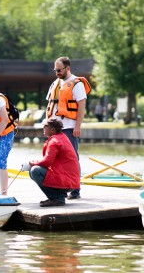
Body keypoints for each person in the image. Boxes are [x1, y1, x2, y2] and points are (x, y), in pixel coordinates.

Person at [46, 56, 91, 200]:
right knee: (57, 160)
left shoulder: (76, 84)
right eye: (55, 70)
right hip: (55, 129)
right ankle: (62, 188)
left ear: (67, 68)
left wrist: (77, 126)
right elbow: (50, 105)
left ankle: (75, 190)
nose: (57, 72)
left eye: (59, 70)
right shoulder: (55, 84)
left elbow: (81, 106)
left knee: (72, 159)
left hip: (69, 127)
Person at [27, 118, 80, 207]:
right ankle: (58, 195)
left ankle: (57, 198)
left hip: (67, 181)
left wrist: (33, 162)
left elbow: (47, 161)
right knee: (35, 169)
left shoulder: (54, 141)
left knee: (34, 171)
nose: (43, 128)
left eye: (45, 127)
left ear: (52, 129)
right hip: (72, 181)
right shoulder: (62, 136)